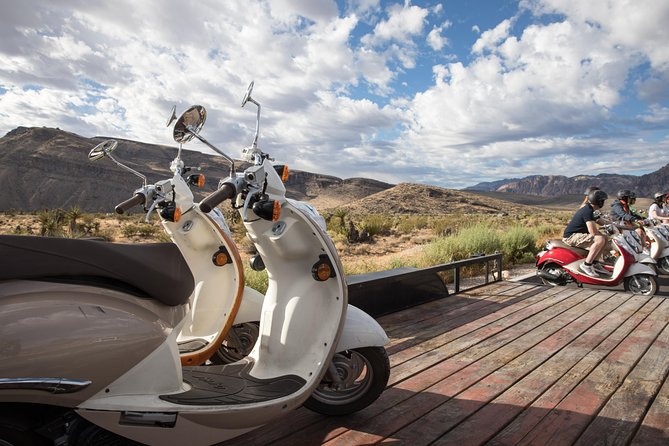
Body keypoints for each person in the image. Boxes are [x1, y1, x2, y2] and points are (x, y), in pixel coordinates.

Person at [563, 189, 609, 277]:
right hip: (571, 237)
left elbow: (602, 222)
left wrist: (614, 225)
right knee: (600, 239)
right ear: (598, 201)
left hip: (578, 234)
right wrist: (600, 232)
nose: (603, 203)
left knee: (605, 238)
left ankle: (595, 263)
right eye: (602, 201)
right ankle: (587, 265)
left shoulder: (591, 210)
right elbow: (592, 231)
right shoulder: (587, 211)